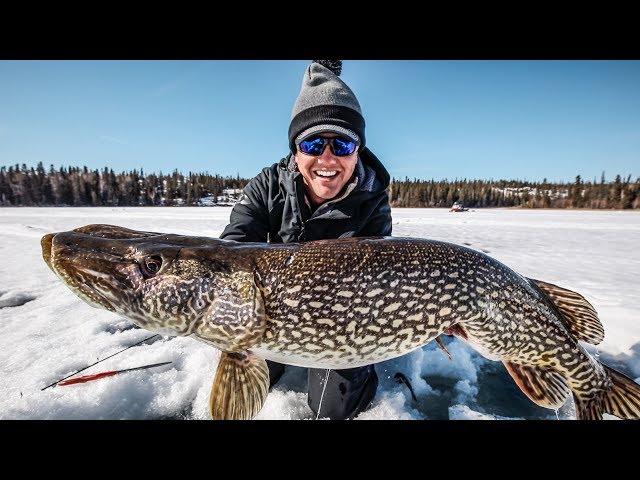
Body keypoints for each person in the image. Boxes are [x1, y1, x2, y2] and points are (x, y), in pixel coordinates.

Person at [220, 60, 392, 419]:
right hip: (271, 311)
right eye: (313, 143)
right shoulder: (267, 186)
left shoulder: (373, 200)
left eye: (342, 144)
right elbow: (233, 250)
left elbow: (379, 282)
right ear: (296, 151)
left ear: (357, 150)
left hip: (347, 319)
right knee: (255, 369)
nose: (327, 158)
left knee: (334, 408)